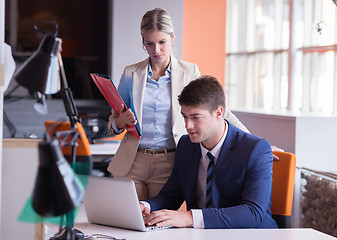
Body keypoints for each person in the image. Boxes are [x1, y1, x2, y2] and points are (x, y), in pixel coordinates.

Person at [107, 8, 251, 200]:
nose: (156, 50)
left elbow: (219, 112)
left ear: (172, 38)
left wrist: (254, 143)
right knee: (129, 221)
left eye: (162, 42)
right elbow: (113, 122)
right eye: (149, 43)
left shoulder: (189, 72)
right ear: (143, 42)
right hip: (133, 161)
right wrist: (120, 122)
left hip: (170, 161)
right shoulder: (131, 74)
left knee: (157, 222)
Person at [140, 75, 278, 229]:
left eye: (195, 117)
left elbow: (253, 213)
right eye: (184, 117)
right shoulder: (186, 145)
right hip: (201, 235)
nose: (188, 125)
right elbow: (170, 196)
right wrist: (146, 206)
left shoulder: (255, 149)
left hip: (250, 235)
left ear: (219, 113)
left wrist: (190, 217)